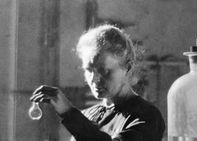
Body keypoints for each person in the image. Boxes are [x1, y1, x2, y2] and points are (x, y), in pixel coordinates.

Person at [30, 24, 165, 141]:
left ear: (127, 67)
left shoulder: (148, 116)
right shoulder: (87, 116)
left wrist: (69, 113)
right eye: (89, 70)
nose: (94, 79)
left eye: (104, 71)